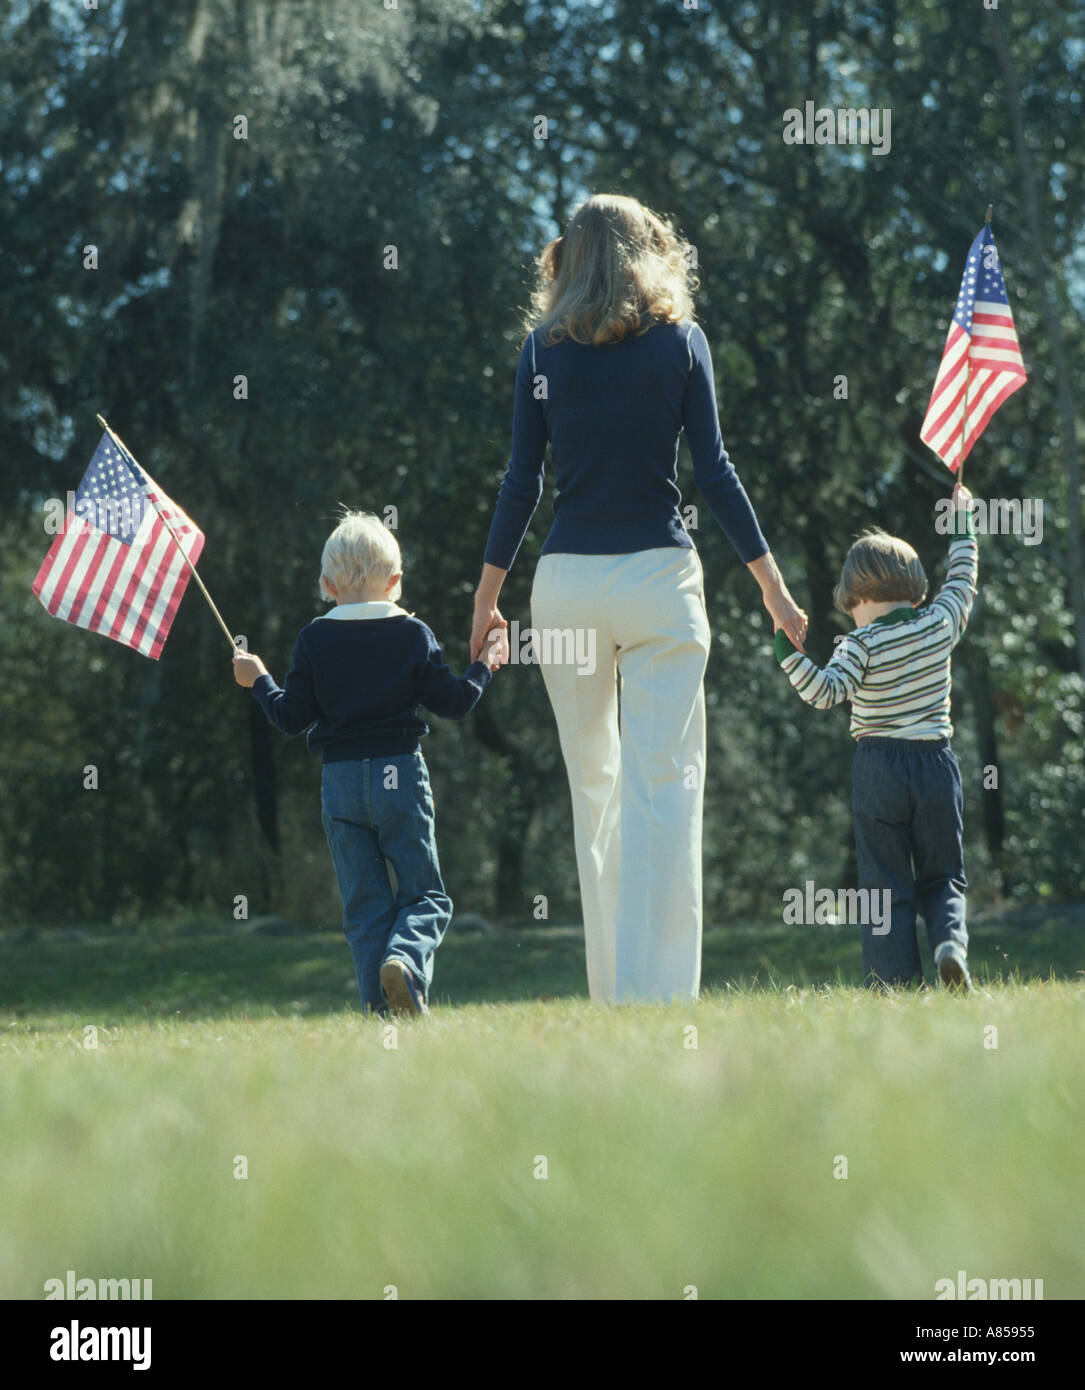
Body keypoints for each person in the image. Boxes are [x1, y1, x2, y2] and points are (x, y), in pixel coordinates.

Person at [469, 193, 807, 1003]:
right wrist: (774, 588)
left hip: (567, 591)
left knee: (595, 788)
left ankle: (614, 994)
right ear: (648, 253)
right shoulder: (681, 343)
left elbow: (523, 481)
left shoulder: (540, 352)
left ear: (572, 258)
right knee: (666, 784)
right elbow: (715, 474)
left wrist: (485, 602)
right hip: (659, 583)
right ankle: (663, 995)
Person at [232, 510, 500, 1016]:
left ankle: (382, 1015)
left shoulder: (314, 638)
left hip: (341, 782)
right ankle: (405, 963)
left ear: (328, 584)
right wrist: (487, 663)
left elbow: (291, 718)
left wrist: (259, 680)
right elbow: (455, 703)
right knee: (424, 897)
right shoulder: (412, 633)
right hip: (399, 773)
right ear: (396, 582)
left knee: (365, 906)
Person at [774, 482, 979, 991]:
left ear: (855, 598)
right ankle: (949, 942)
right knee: (943, 874)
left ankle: (893, 984)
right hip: (935, 763)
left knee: (885, 884)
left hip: (878, 768)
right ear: (916, 592)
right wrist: (963, 523)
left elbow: (823, 693)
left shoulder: (858, 645)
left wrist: (786, 649)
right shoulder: (939, 624)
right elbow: (963, 578)